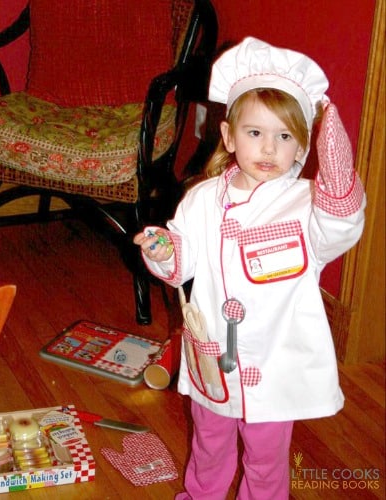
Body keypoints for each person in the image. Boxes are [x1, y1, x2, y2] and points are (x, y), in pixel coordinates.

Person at [134, 37, 366, 499]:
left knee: (265, 458)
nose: (268, 148)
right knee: (209, 442)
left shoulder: (305, 206)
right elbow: (183, 259)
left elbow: (340, 227)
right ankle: (201, 494)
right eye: (255, 133)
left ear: (301, 146)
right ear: (228, 136)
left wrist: (338, 170)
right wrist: (162, 251)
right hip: (213, 357)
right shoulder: (202, 199)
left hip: (274, 365)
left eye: (285, 136)